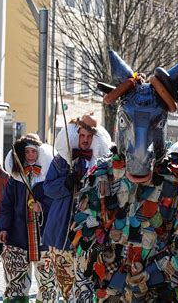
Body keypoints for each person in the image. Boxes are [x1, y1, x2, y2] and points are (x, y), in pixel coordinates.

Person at [42, 113, 112, 301]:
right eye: (82, 136)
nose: (85, 140)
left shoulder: (101, 165)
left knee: (85, 288)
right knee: (64, 287)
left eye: (89, 137)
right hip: (61, 233)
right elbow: (48, 188)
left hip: (88, 232)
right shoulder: (61, 160)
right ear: (76, 135)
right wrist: (66, 184)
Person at [0, 134, 57, 302]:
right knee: (15, 283)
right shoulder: (15, 179)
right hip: (18, 237)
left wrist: (43, 206)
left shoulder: (48, 177)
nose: (30, 156)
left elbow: (55, 201)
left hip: (44, 237)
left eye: (33, 152)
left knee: (48, 283)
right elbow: (6, 205)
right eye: (27, 152)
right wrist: (3, 227)